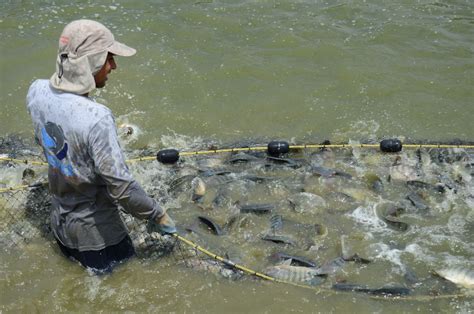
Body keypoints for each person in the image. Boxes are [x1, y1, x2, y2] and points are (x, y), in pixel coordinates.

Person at [26, 19, 176, 274]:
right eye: (109, 58)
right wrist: (158, 214)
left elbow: (48, 142)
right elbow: (123, 190)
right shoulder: (97, 117)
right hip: (99, 240)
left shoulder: (36, 91)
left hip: (61, 230)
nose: (114, 66)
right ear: (90, 62)